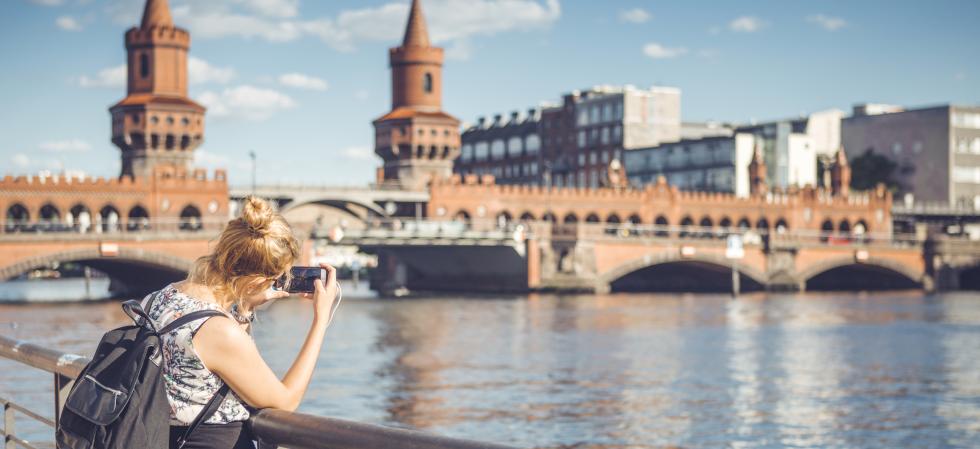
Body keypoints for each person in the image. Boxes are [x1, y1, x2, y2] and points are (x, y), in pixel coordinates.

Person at [142, 196, 340, 449]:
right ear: (258, 281)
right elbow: (286, 401)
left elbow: (207, 371)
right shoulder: (218, 331)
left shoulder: (158, 298)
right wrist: (320, 320)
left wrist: (244, 309)